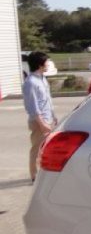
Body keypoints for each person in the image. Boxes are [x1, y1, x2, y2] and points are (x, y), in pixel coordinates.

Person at [22, 51, 57, 182]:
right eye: (46, 62)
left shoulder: (42, 79)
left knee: (46, 148)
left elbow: (48, 100)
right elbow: (33, 106)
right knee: (37, 149)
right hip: (39, 122)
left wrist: (53, 116)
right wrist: (42, 123)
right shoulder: (31, 82)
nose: (48, 64)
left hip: (47, 119)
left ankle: (44, 173)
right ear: (40, 64)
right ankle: (34, 176)